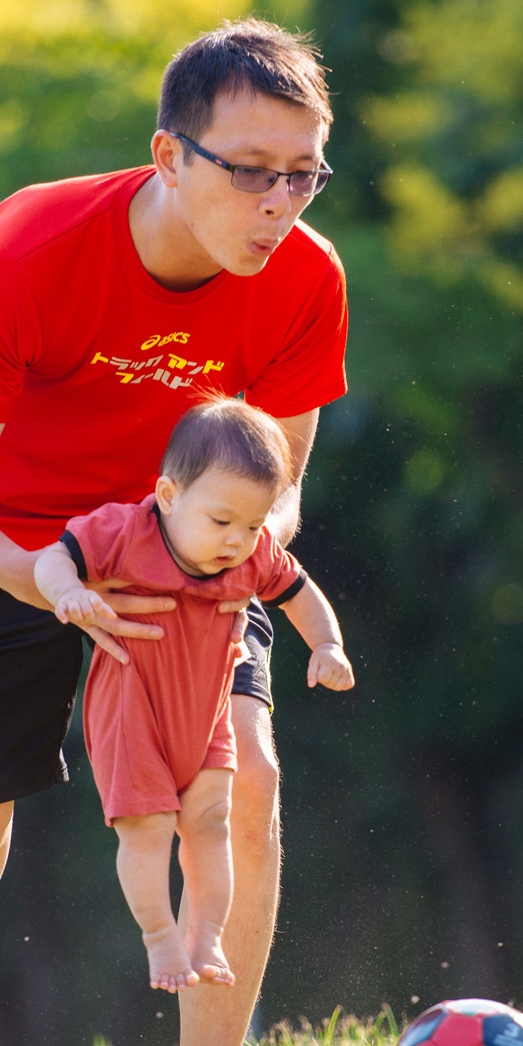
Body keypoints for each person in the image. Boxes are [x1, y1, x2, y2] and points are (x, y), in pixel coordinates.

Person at [0, 18, 346, 1046]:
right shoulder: (35, 249)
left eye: (304, 176)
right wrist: (43, 577)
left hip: (180, 541)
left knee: (250, 786)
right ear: (169, 154)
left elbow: (279, 486)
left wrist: (205, 556)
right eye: (251, 174)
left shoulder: (305, 281)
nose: (279, 206)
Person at [36, 401, 353, 995]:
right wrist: (66, 594)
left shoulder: (252, 556)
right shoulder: (124, 532)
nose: (237, 541)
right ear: (168, 494)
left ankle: (205, 933)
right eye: (221, 521)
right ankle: (160, 938)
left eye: (253, 526)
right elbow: (55, 558)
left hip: (207, 716)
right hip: (134, 713)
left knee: (211, 824)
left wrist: (327, 646)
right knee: (148, 828)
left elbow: (300, 591)